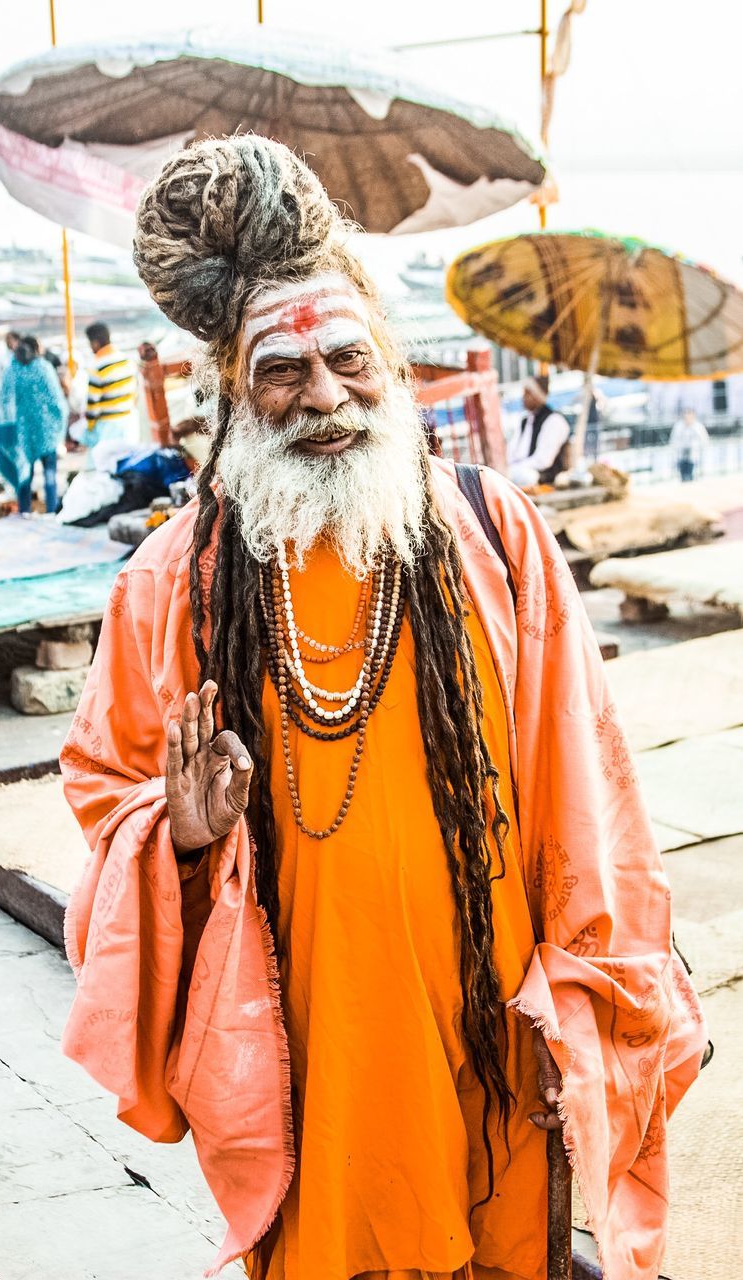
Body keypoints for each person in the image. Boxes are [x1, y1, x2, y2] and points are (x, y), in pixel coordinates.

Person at [60, 138, 706, 1280]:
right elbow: (104, 788)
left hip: (494, 1007)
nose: (324, 396)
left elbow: (589, 783)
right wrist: (184, 831)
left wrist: (586, 989)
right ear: (233, 392)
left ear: (389, 360)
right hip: (315, 1039)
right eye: (283, 372)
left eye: (347, 359)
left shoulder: (492, 531)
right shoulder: (173, 579)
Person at [0, 334, 67, 514]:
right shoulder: (43, 368)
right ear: (36, 349)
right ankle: (51, 512)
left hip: (22, 433)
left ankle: (24, 511)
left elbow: (3, 403)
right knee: (50, 476)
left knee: (23, 474)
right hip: (47, 432)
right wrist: (60, 431)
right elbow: (57, 402)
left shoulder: (12, 370)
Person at [69, 321, 138, 451]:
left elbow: (93, 407)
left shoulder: (97, 368)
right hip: (129, 422)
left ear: (95, 343)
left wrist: (88, 427)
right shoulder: (127, 361)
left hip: (107, 428)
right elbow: (135, 394)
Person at [507, 377, 570, 487]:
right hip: (519, 469)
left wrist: (516, 467)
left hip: (543, 475)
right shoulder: (525, 421)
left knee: (525, 476)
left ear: (537, 396)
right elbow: (513, 452)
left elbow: (543, 461)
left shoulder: (554, 420)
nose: (523, 398)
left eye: (527, 394)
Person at [669, 408, 709, 483]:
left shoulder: (698, 426)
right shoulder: (678, 426)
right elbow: (674, 439)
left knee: (692, 468)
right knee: (682, 469)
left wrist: (701, 448)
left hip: (694, 451)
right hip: (681, 451)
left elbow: (704, 439)